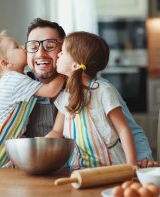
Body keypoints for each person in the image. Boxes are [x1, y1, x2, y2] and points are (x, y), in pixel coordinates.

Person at [0, 18, 159, 169]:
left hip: (79, 174)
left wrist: (142, 159)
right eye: (33, 46)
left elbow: (131, 130)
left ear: (66, 52)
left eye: (50, 46)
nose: (41, 53)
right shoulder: (22, 89)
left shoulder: (96, 90)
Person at [46, 31, 137, 169]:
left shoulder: (103, 90)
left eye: (63, 52)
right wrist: (39, 145)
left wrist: (131, 165)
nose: (58, 54)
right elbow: (57, 132)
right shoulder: (65, 96)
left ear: (75, 65)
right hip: (79, 169)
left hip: (112, 167)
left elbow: (123, 129)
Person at [0, 30, 64, 165]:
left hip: (4, 142)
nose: (23, 46)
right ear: (5, 63)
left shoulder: (20, 79)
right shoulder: (14, 80)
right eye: (16, 46)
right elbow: (51, 90)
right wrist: (66, 71)